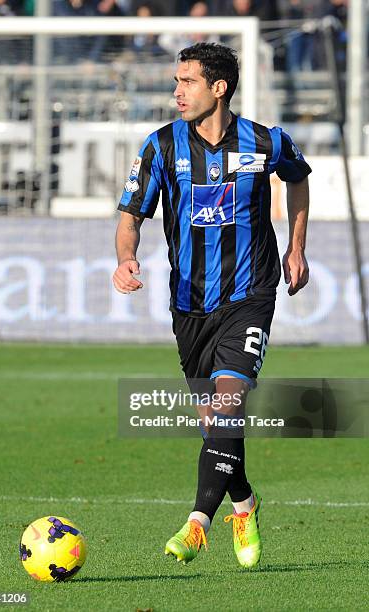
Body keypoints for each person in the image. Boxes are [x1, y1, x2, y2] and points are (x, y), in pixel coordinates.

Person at [113, 43, 311, 567]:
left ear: (218, 87)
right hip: (189, 305)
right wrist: (125, 259)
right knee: (217, 425)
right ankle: (243, 504)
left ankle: (197, 523)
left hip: (251, 296)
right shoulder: (159, 146)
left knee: (228, 405)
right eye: (176, 81)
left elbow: (298, 179)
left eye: (188, 81)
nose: (177, 91)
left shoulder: (265, 141)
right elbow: (131, 215)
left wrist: (296, 247)